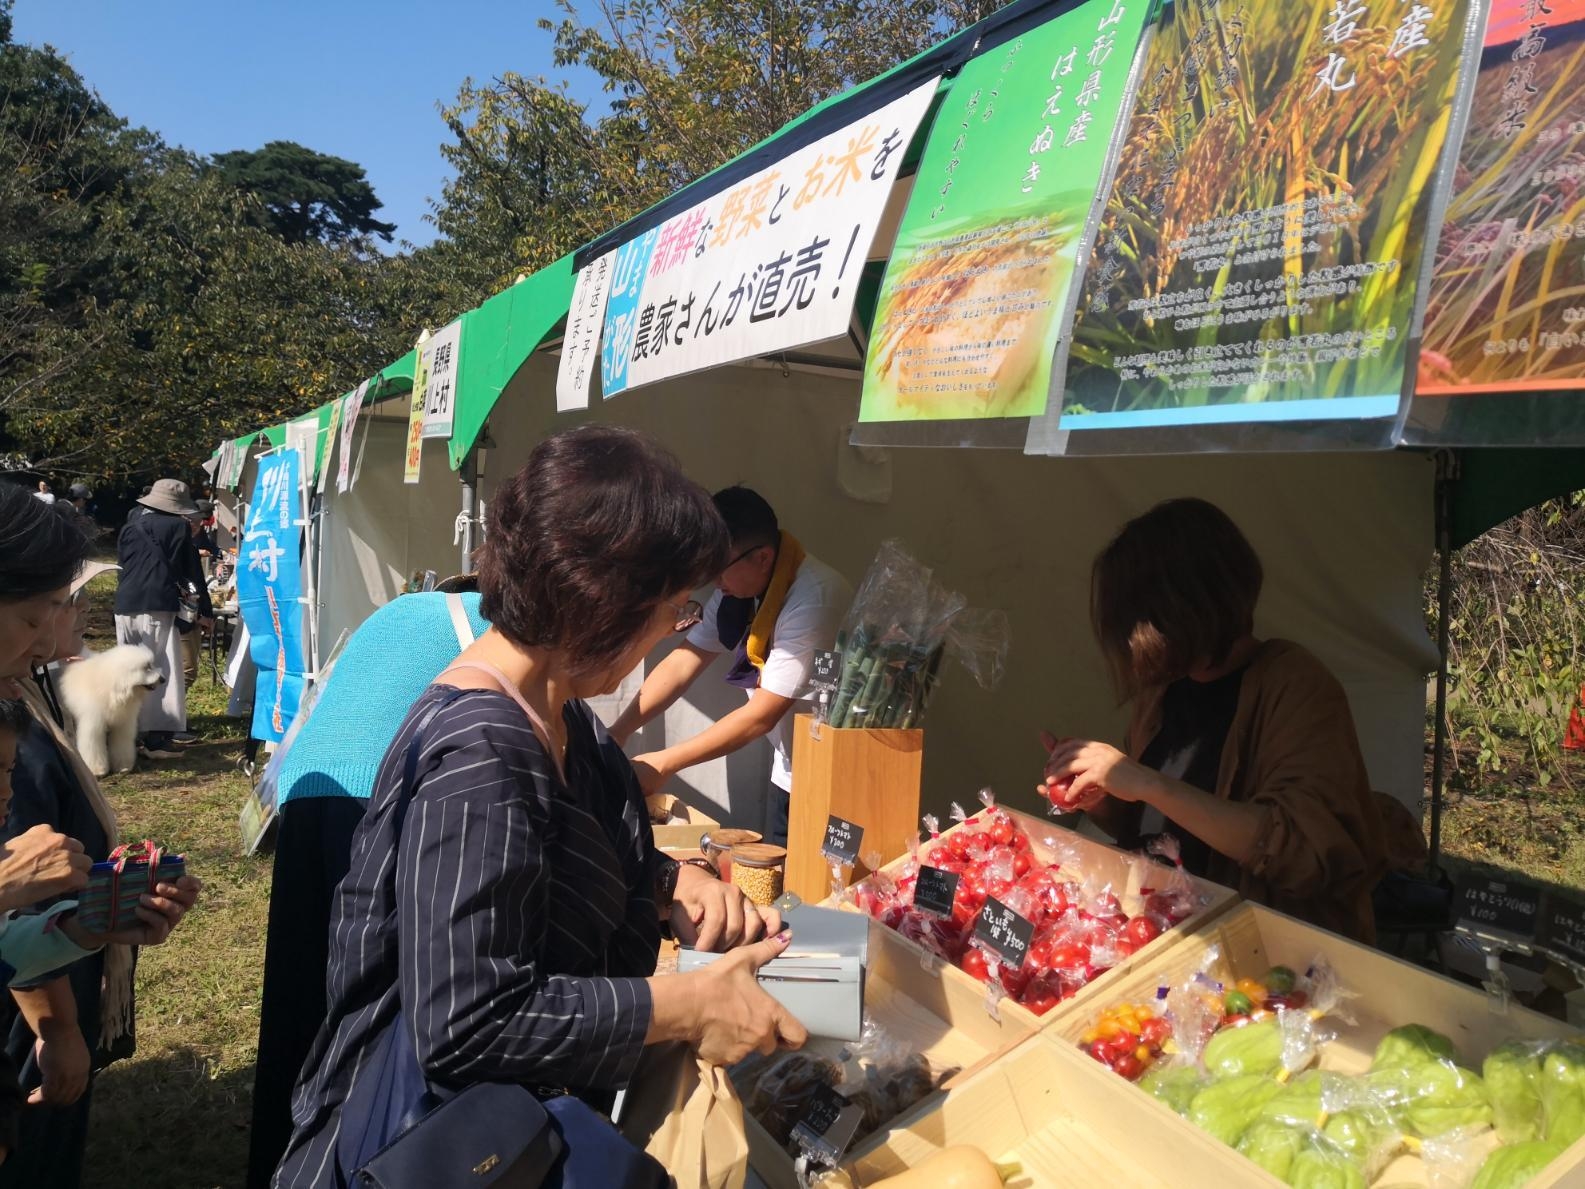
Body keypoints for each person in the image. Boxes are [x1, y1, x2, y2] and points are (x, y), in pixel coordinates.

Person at [274, 429, 808, 1189]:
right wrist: (683, 1003)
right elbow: (467, 1019)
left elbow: (544, 852)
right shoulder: (483, 754)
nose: (673, 630)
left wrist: (666, 881)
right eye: (673, 609)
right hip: (440, 1145)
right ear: (603, 604)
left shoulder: (558, 712)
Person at [1038, 498, 1387, 942]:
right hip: (1166, 936)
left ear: (1188, 609)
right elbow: (1155, 829)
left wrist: (1146, 781)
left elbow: (1305, 852)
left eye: (1138, 623)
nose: (1130, 643)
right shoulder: (1163, 693)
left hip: (1262, 953)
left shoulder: (1295, 684)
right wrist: (1101, 800)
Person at [244, 585, 490, 1189]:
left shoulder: (396, 612)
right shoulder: (491, 621)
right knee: (368, 993)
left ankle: (279, 1157)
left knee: (299, 985)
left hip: (308, 785)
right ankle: (356, 1149)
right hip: (375, 795)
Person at [0, 554, 204, 1189]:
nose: (65, 620)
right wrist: (58, 1026)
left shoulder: (24, 698)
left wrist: (98, 925)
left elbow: (9, 943)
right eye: (46, 610)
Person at [611, 487, 852, 844]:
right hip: (790, 768)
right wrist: (617, 732)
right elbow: (684, 662)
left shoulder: (814, 600)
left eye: (719, 570)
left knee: (817, 891)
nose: (714, 583)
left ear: (763, 557)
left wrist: (664, 763)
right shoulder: (737, 595)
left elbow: (762, 714)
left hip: (836, 773)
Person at [113, 479, 212, 754]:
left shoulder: (130, 527)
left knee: (130, 669)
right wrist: (204, 611)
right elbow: (190, 570)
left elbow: (123, 565)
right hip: (157, 604)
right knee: (160, 668)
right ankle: (157, 737)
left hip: (124, 603)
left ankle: (127, 732)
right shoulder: (179, 527)